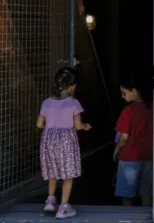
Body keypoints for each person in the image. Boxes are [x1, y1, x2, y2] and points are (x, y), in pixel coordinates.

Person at [37, 67, 91, 219]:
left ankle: (50, 200)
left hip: (49, 140)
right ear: (73, 87)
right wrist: (86, 126)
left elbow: (40, 124)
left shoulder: (47, 103)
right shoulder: (73, 103)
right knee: (68, 174)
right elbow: (78, 126)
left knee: (52, 171)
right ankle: (64, 207)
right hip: (66, 140)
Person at [114, 75, 154, 206]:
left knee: (127, 193)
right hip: (149, 155)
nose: (122, 96)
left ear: (134, 92)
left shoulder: (128, 111)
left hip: (129, 156)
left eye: (124, 93)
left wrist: (116, 150)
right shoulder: (153, 108)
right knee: (146, 191)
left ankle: (126, 218)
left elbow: (124, 137)